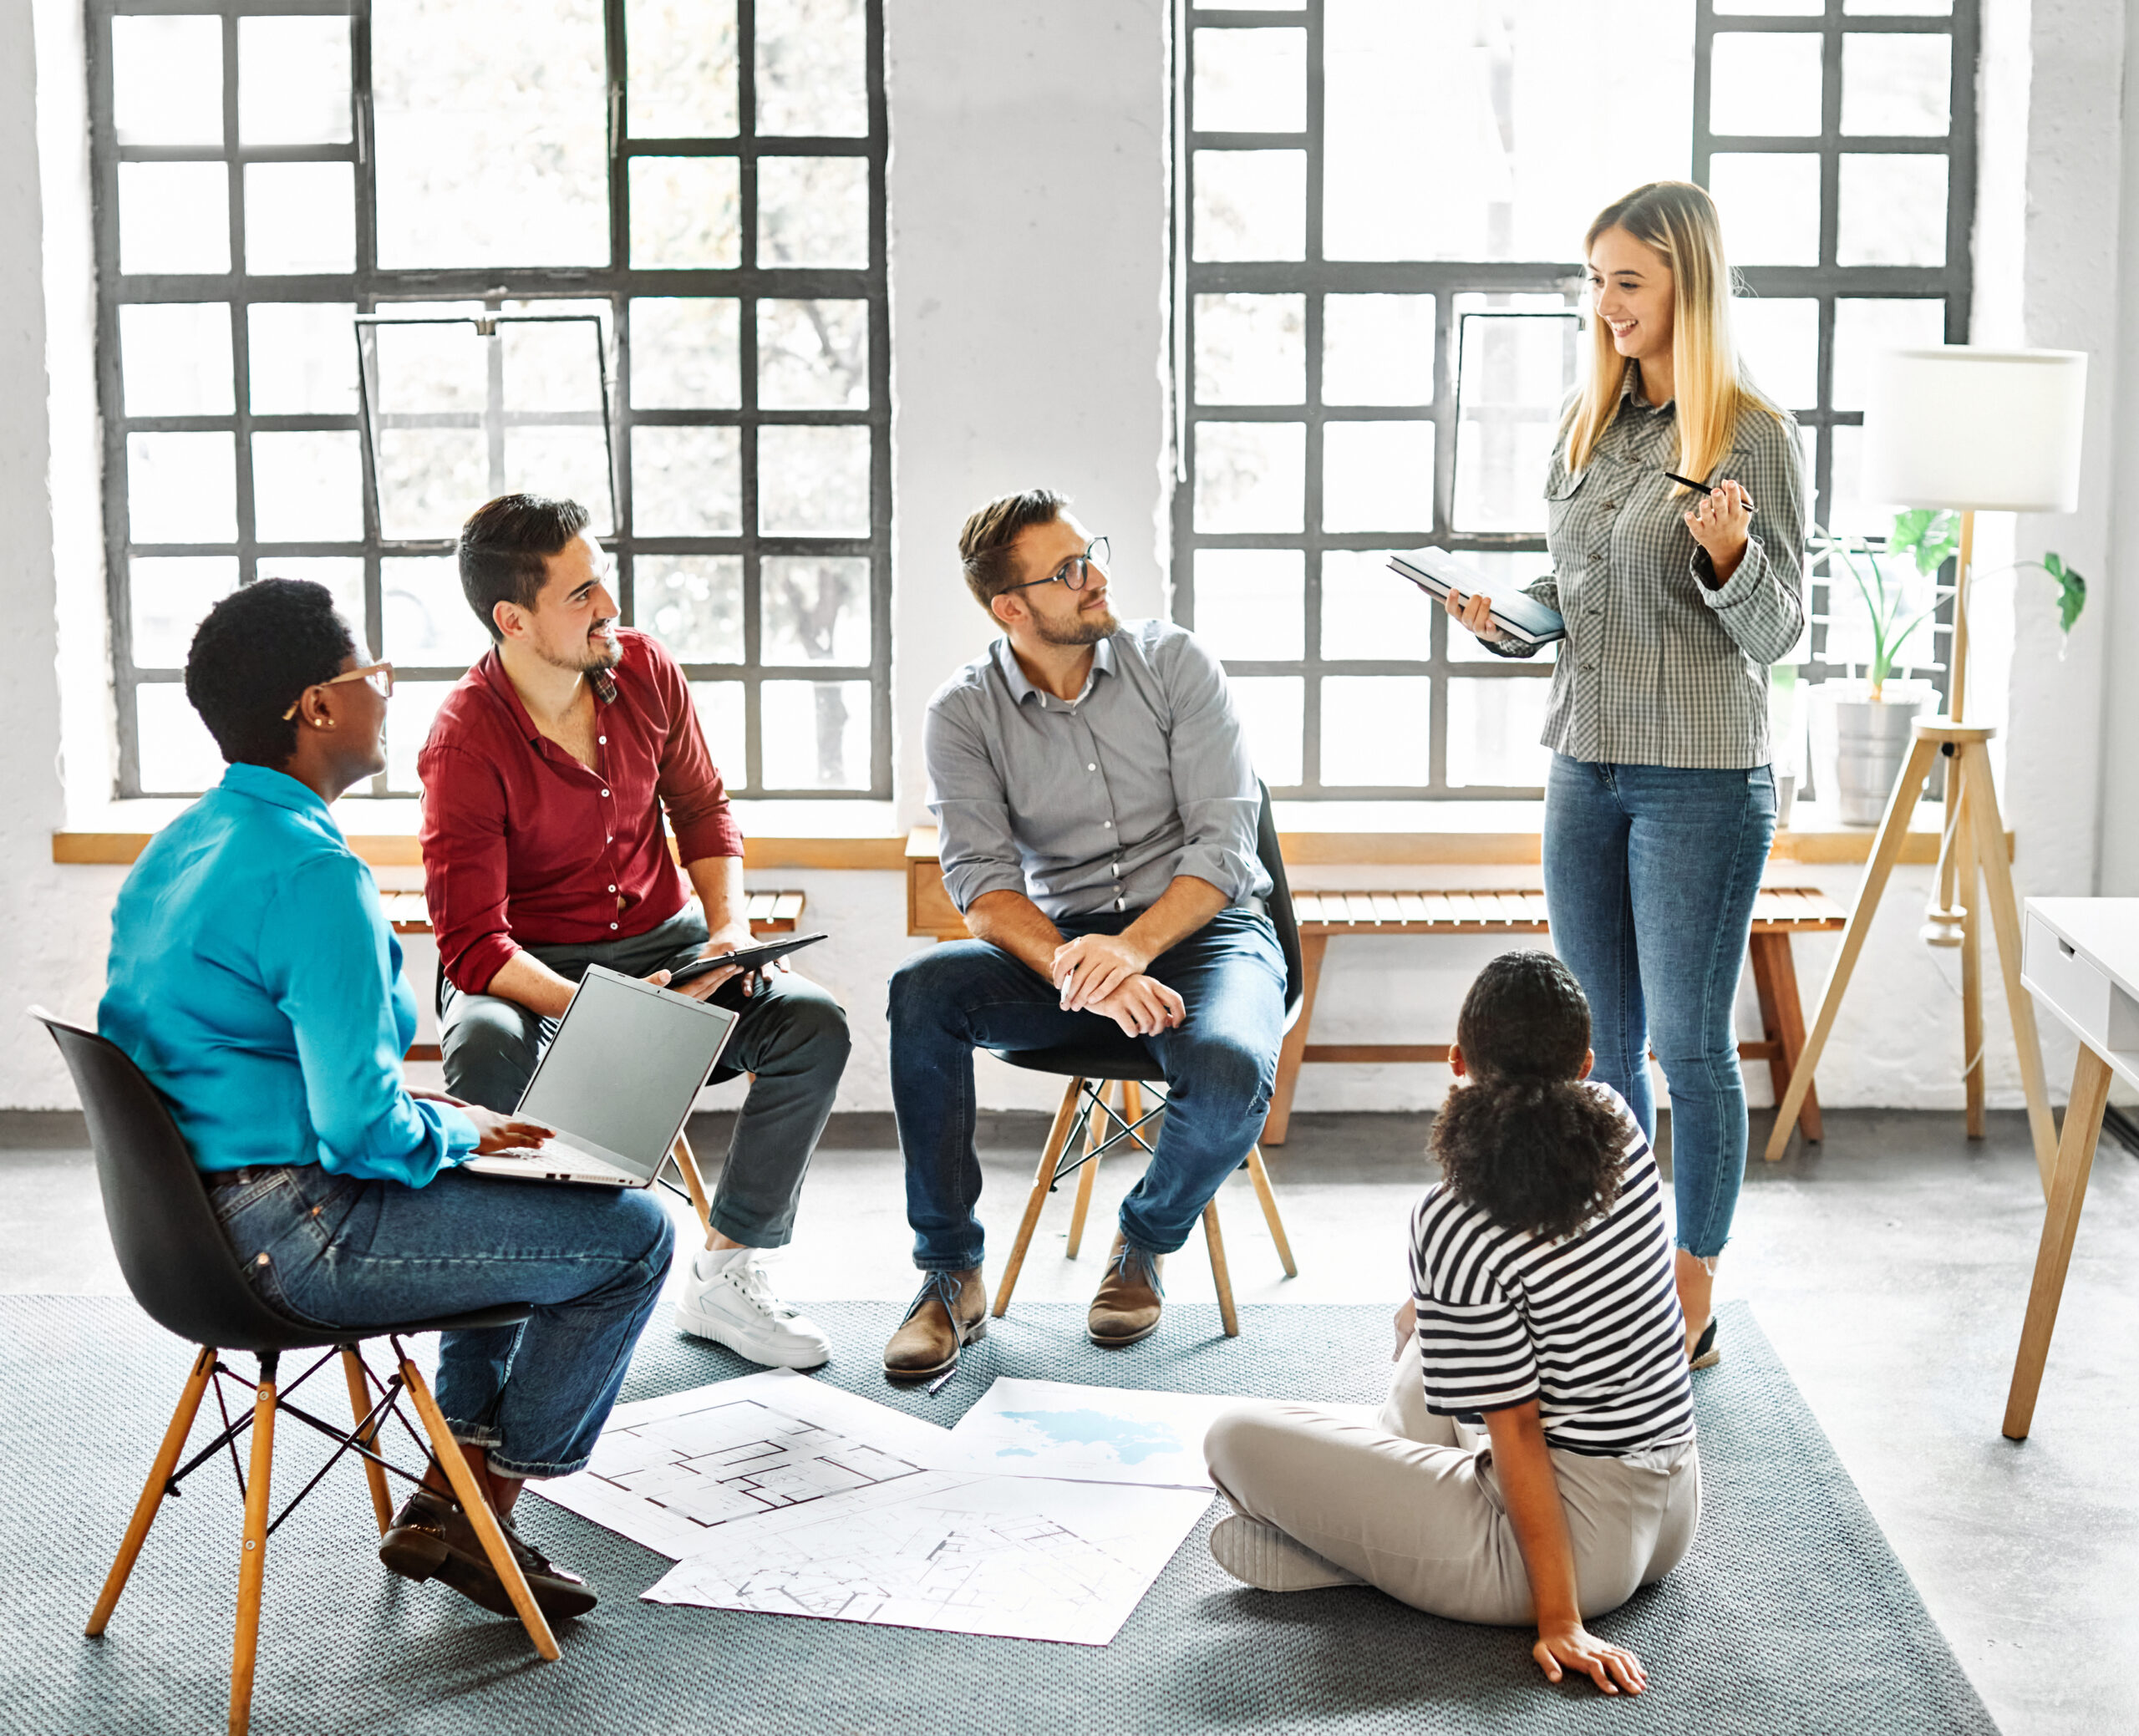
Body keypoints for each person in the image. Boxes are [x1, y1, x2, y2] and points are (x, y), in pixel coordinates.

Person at [100, 578, 675, 1622]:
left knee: (504, 1186)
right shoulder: (315, 874)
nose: (388, 690)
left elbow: (252, 1062)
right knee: (631, 1234)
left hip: (185, 1231)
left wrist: (457, 1132)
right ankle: (480, 1509)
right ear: (316, 707)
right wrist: (458, 1133)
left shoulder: (177, 848)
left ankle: (450, 1483)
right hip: (295, 1232)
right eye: (373, 673)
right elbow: (362, 1134)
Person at [1443, 181, 1806, 1368]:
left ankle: (1690, 1287)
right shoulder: (1584, 421)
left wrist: (1732, 554)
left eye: (1628, 282)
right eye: (1594, 280)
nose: (1603, 306)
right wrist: (1509, 618)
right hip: (1583, 762)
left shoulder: (1751, 431)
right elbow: (1579, 594)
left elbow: (1781, 629)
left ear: (1686, 287)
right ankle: (1619, 1267)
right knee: (1595, 1046)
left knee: (1690, 1047)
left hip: (1700, 772)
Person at [419, 495, 851, 1372]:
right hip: (533, 974)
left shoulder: (646, 669)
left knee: (813, 1022)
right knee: (486, 1043)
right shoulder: (463, 741)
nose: (608, 606)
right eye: (580, 594)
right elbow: (472, 945)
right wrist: (603, 1008)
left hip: (668, 945)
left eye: (601, 580)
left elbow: (701, 806)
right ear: (514, 618)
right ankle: (494, 1315)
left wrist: (728, 929)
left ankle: (727, 1273)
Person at [1202, 952, 1699, 1698]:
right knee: (1435, 1319)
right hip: (1673, 1511)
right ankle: (1379, 1532)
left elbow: (1519, 1430)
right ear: (1587, 1064)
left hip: (1571, 1559)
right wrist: (1425, 1308)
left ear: (1457, 1061)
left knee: (1231, 1436)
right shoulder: (1621, 1125)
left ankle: (1362, 1544)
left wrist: (1559, 1620)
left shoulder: (1452, 1221)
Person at [882, 490, 1286, 1381]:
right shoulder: (963, 713)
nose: (1095, 577)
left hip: (1208, 933)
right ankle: (948, 1273)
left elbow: (1224, 846)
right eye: (1066, 571)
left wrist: (1130, 950)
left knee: (1225, 1065)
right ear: (1011, 608)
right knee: (923, 993)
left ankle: (1142, 1240)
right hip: (1066, 952)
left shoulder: (1174, 662)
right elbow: (982, 888)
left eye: (1089, 554)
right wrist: (1081, 960)